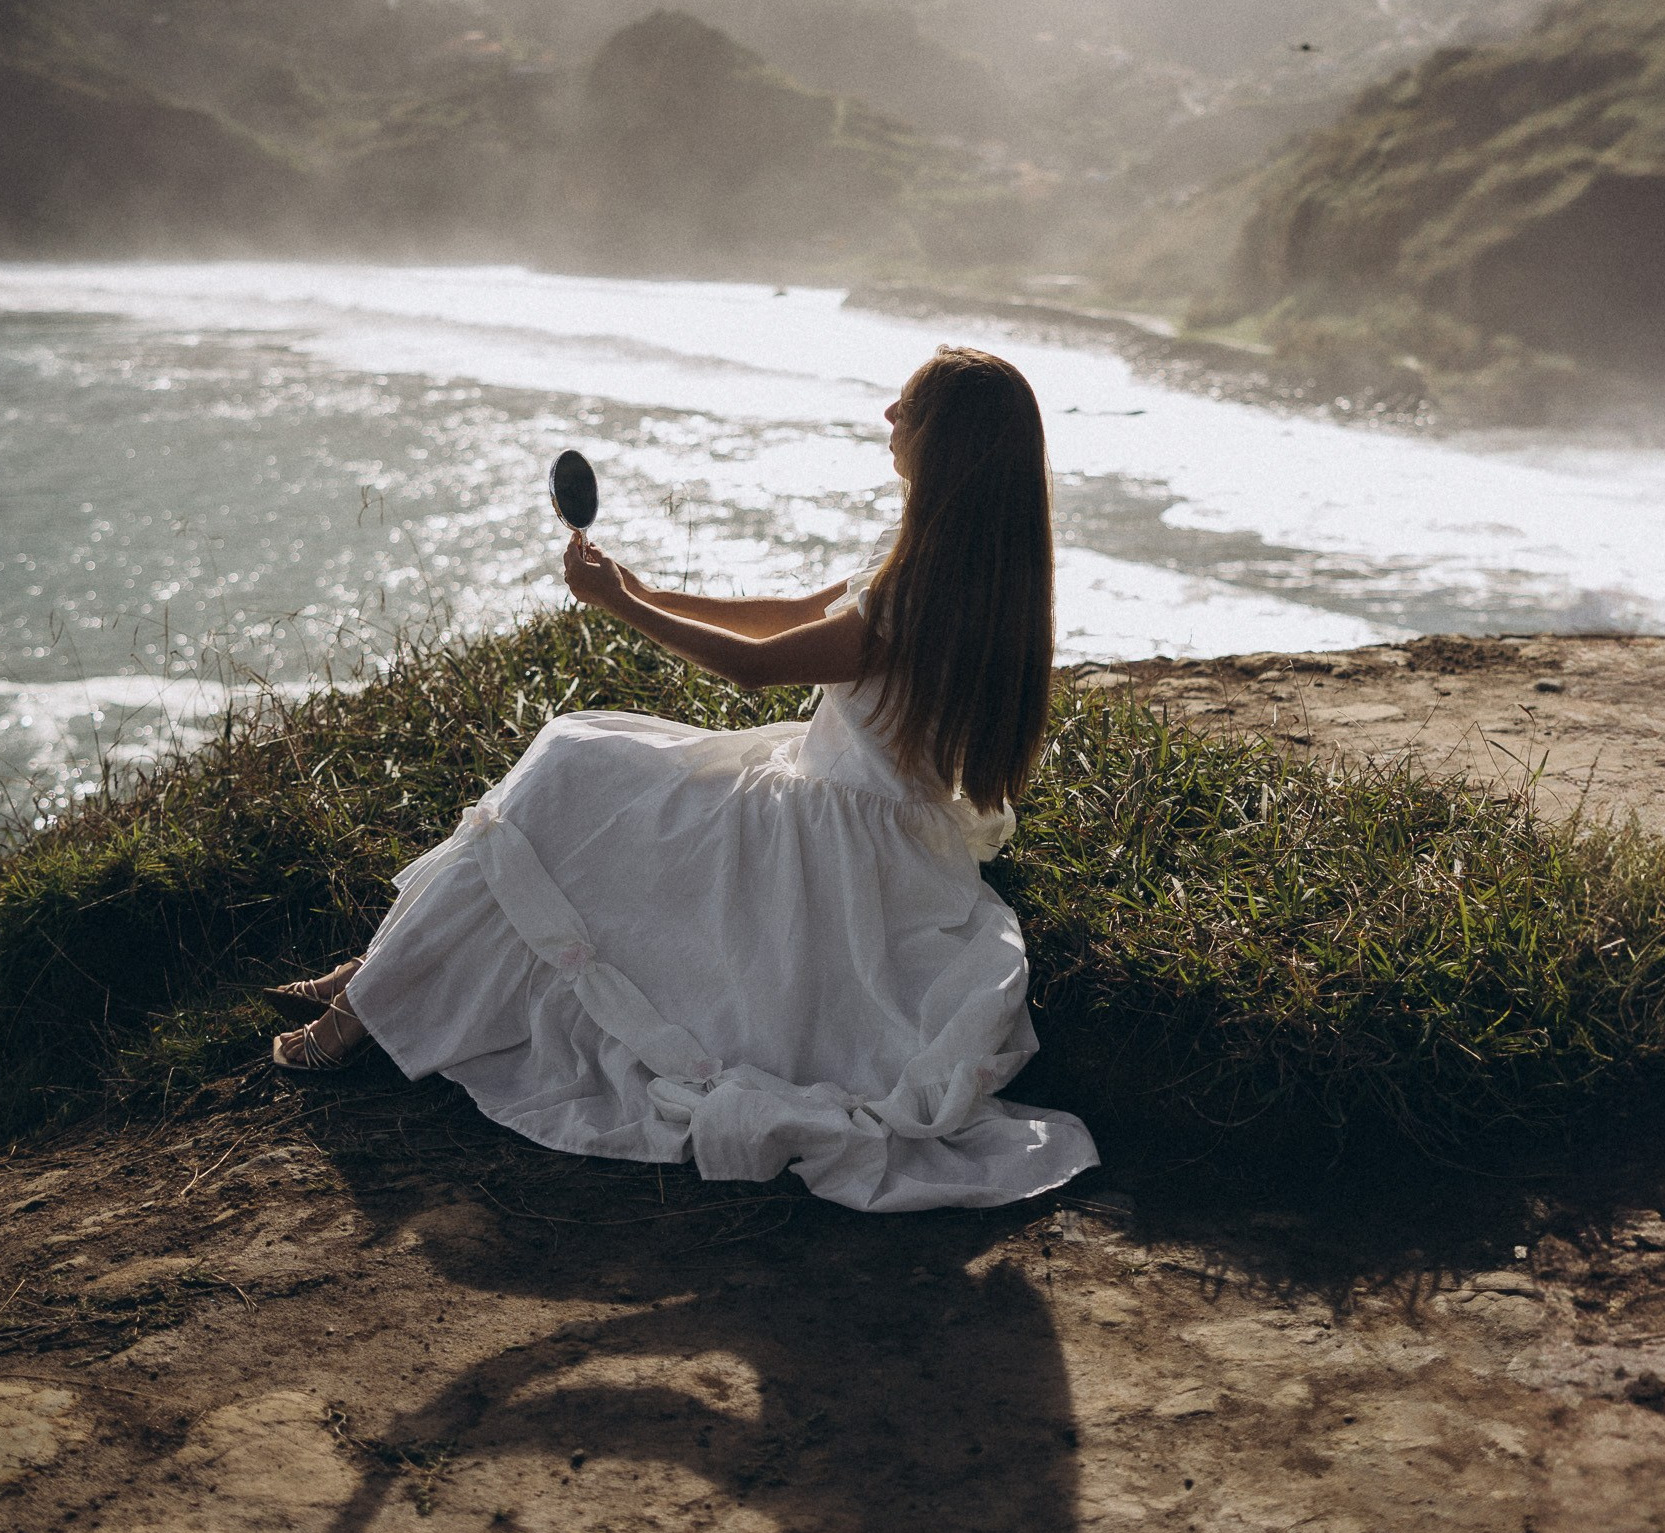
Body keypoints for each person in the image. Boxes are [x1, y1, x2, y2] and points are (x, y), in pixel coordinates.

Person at [269, 347, 1098, 1212]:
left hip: (828, 845)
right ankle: (377, 975)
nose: (888, 417)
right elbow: (787, 617)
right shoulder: (958, 565)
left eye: (907, 408)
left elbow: (754, 668)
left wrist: (618, 607)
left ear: (946, 442)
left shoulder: (917, 596)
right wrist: (646, 587)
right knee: (573, 767)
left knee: (569, 766)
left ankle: (364, 1006)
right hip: (865, 819)